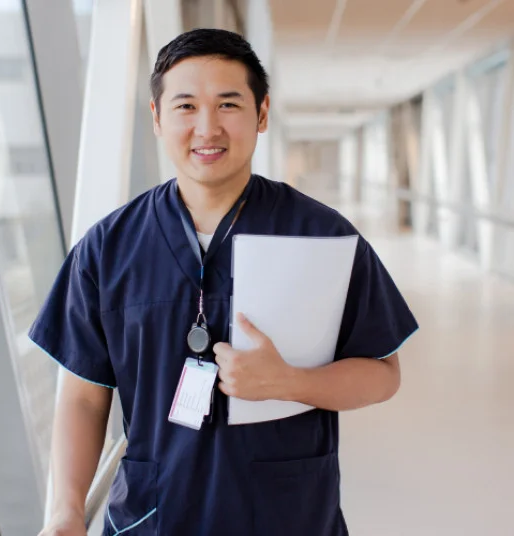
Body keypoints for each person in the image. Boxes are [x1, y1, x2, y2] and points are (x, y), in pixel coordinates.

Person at [29, 28, 418, 536]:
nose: (207, 128)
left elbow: (383, 373)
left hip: (286, 515)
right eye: (186, 106)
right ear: (156, 118)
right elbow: (84, 395)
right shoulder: (108, 248)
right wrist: (65, 511)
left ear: (261, 115)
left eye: (228, 105)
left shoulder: (323, 235)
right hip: (156, 515)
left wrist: (289, 383)